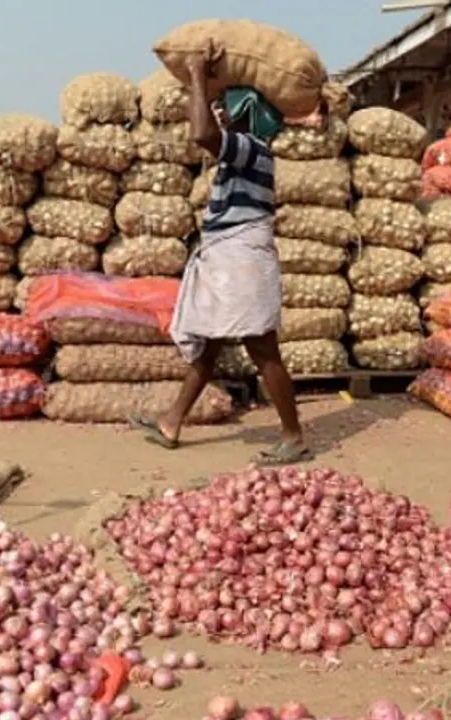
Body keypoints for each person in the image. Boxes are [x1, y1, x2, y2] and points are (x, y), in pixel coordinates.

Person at [129, 47, 311, 466]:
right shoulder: (243, 152)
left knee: (262, 347)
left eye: (229, 109)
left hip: (242, 258)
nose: (221, 114)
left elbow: (202, 135)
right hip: (226, 256)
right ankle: (171, 422)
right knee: (207, 345)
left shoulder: (252, 148)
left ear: (249, 115)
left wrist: (195, 75)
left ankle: (294, 435)